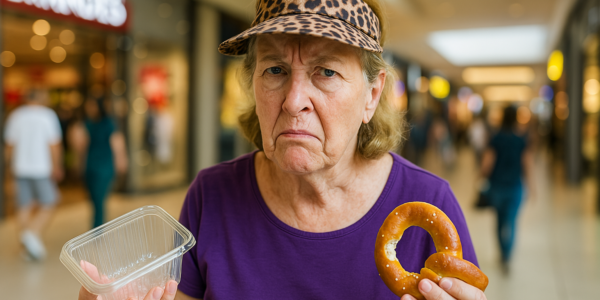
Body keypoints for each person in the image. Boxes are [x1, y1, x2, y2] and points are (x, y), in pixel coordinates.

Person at [79, 0, 486, 299]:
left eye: (325, 72)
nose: (293, 101)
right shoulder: (212, 194)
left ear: (372, 96)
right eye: (275, 70)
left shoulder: (430, 200)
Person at [4, 89, 63, 261]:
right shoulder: (48, 115)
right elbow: (54, 144)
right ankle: (31, 234)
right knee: (51, 201)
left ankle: (26, 247)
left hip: (20, 167)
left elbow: (9, 146)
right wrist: (56, 165)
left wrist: (8, 168)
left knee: (23, 206)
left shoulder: (15, 116)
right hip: (41, 168)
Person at [480, 105, 534, 274]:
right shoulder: (521, 139)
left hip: (496, 186)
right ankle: (507, 255)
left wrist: (479, 177)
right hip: (515, 187)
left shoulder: (496, 138)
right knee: (511, 222)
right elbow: (527, 164)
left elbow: (488, 162)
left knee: (499, 221)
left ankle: (502, 252)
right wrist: (532, 186)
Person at [69, 98, 128, 229]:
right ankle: (97, 227)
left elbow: (117, 143)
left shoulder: (108, 123)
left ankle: (97, 229)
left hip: (105, 166)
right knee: (94, 199)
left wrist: (121, 161)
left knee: (99, 198)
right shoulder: (86, 124)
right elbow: (80, 147)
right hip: (90, 166)